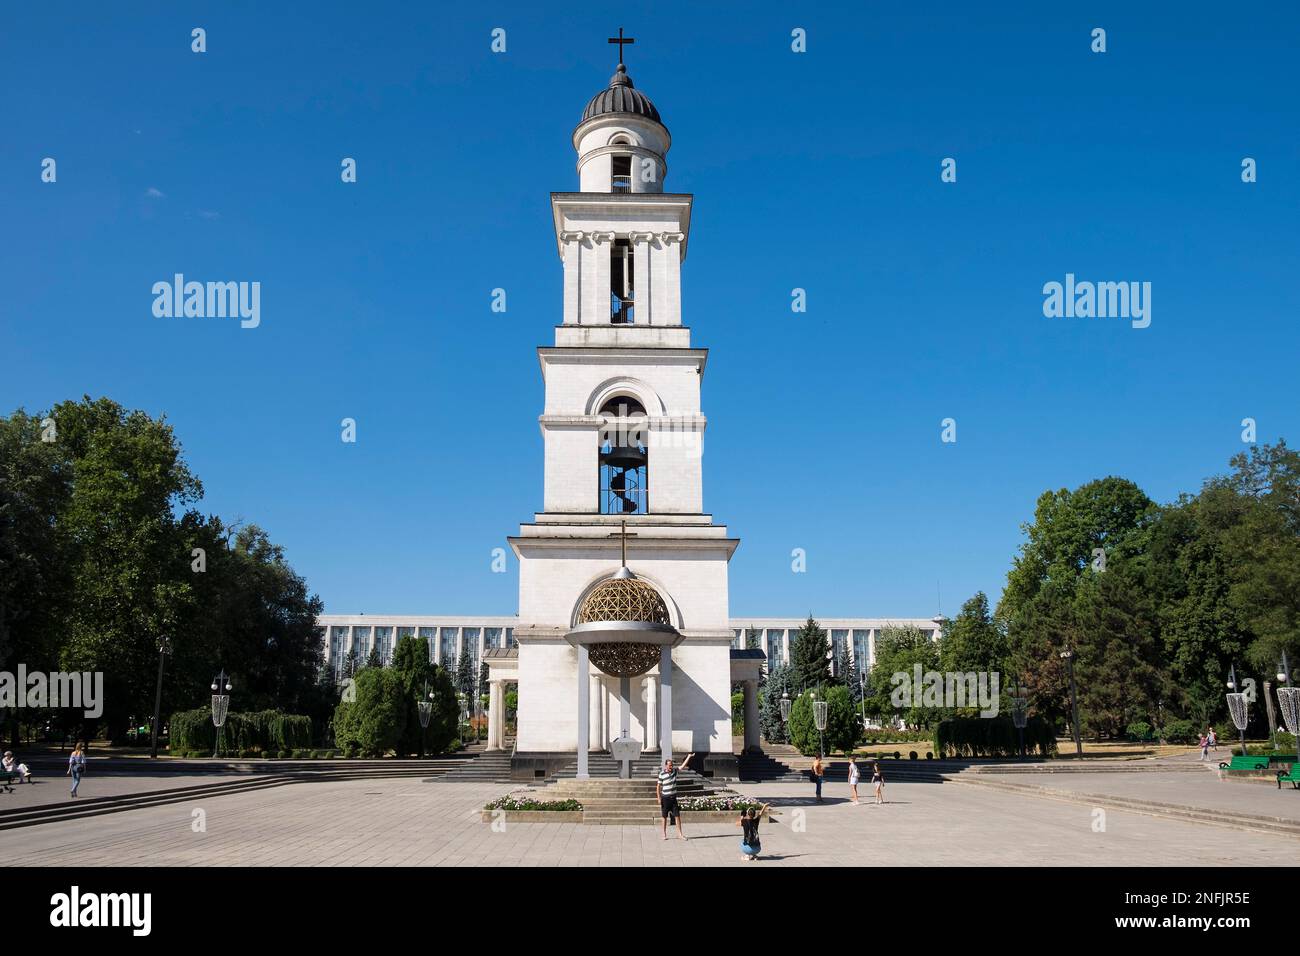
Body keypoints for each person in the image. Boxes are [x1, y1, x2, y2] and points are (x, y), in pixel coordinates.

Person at [657, 752, 693, 840]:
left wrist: (688, 757)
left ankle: (680, 834)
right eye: (669, 765)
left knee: (677, 816)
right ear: (666, 765)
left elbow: (683, 766)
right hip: (665, 798)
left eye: (671, 765)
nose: (671, 767)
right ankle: (664, 834)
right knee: (664, 817)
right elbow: (658, 786)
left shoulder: (674, 772)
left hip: (673, 798)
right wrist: (659, 797)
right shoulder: (662, 774)